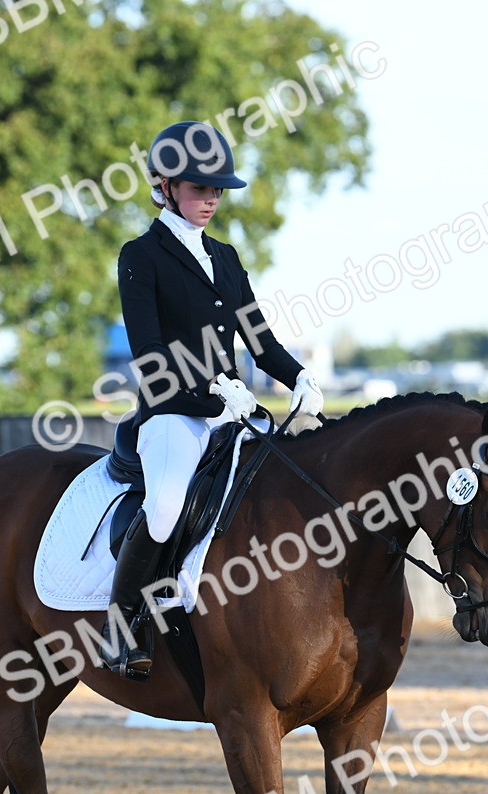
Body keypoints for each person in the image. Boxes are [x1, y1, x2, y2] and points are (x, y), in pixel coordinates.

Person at [99, 121, 324, 676]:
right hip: (172, 412)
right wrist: (210, 392)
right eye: (200, 188)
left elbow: (260, 342)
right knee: (165, 506)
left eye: (218, 190)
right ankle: (121, 625)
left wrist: (299, 377)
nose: (212, 199)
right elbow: (149, 355)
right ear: (166, 187)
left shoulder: (225, 257)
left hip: (234, 412)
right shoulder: (140, 255)